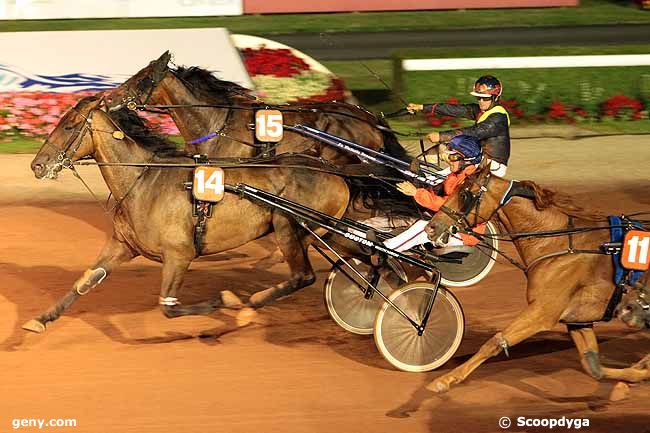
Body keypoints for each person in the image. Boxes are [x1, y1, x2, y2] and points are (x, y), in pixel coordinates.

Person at [383, 134, 485, 254]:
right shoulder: (455, 174)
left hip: (462, 234)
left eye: (452, 158)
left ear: (467, 161)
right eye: (448, 157)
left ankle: (385, 250)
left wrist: (417, 193)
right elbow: (439, 195)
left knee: (423, 227)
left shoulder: (471, 183)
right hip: (445, 222)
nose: (447, 161)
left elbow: (448, 207)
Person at [407, 75, 510, 177]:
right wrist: (422, 107)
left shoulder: (499, 118)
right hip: (477, 158)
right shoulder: (483, 110)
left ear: (495, 97)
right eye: (479, 97)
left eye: (485, 99)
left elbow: (475, 132)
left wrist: (441, 136)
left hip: (492, 167)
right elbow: (453, 109)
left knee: (441, 175)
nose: (481, 102)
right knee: (442, 147)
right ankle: (415, 170)